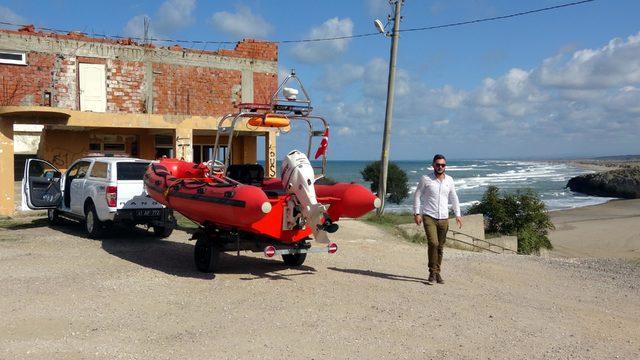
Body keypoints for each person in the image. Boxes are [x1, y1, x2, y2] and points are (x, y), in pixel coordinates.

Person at [414, 154, 462, 284]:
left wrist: (458, 214)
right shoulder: (426, 179)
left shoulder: (449, 180)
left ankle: (437, 273)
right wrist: (417, 213)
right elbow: (417, 195)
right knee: (433, 243)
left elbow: (454, 197)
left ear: (445, 166)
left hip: (444, 218)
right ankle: (432, 273)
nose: (440, 167)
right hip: (429, 216)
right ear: (433, 165)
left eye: (443, 165)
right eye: (438, 164)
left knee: (440, 247)